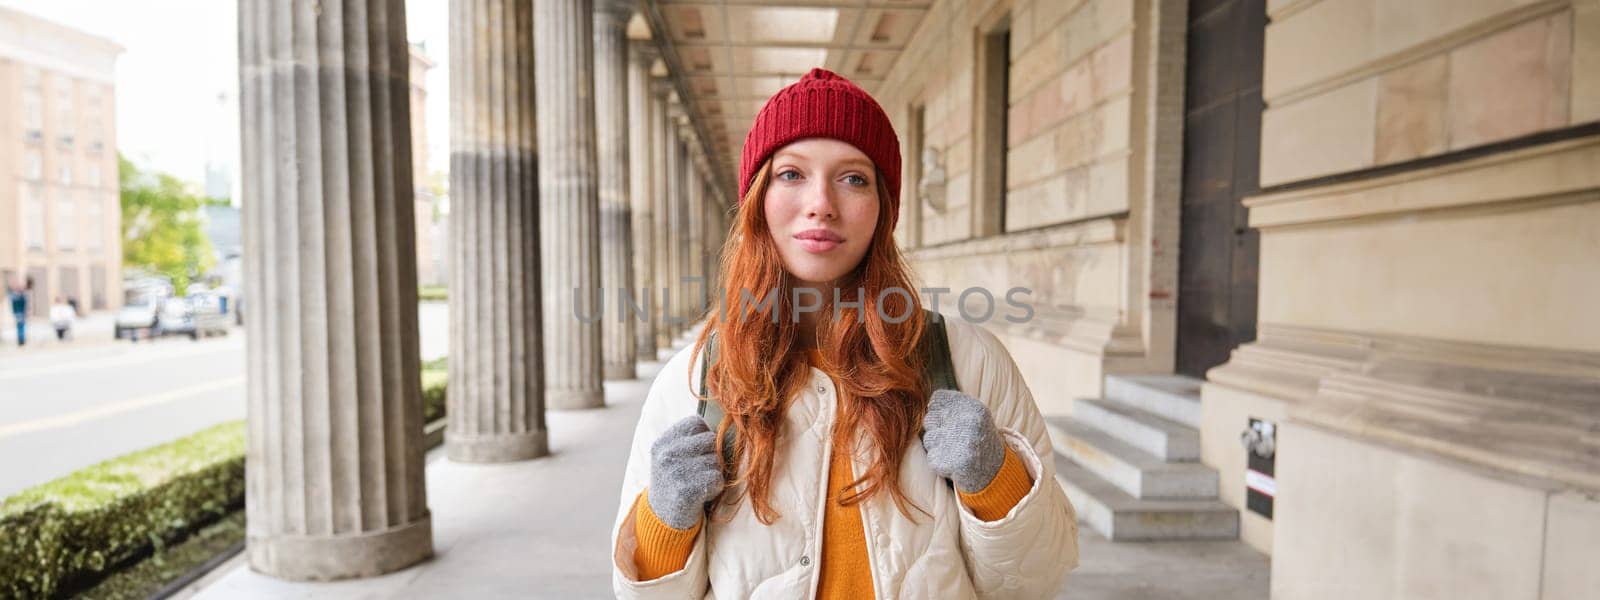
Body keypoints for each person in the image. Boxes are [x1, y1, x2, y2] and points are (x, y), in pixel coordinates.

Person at [611, 68, 1079, 599]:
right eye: (791, 174)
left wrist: (995, 480)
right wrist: (664, 520)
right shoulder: (695, 380)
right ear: (757, 199)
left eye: (853, 178)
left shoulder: (967, 361)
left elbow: (1039, 579)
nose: (821, 203)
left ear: (883, 209)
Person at [8, 277, 29, 347]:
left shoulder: (20, 295)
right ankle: (21, 340)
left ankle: (21, 340)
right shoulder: (16, 296)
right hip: (19, 313)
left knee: (20, 326)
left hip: (20, 313)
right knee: (20, 326)